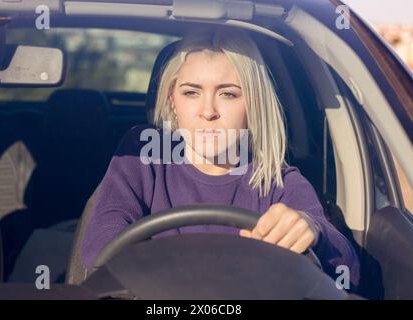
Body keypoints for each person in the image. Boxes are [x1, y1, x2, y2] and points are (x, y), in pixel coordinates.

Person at [81, 27, 360, 289]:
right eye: (191, 92)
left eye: (228, 94)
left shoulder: (278, 181)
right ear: (172, 102)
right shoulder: (142, 155)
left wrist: (313, 230)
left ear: (253, 105)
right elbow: (100, 245)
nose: (208, 111)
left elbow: (348, 270)